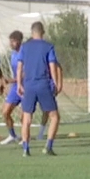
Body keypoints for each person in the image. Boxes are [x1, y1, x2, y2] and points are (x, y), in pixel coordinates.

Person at [17, 21, 62, 156]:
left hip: (29, 85)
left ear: (32, 32)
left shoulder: (24, 47)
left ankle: (26, 149)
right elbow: (52, 66)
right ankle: (48, 146)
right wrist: (55, 83)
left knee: (27, 118)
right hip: (43, 84)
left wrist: (19, 84)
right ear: (43, 32)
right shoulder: (48, 46)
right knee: (54, 117)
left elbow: (20, 67)